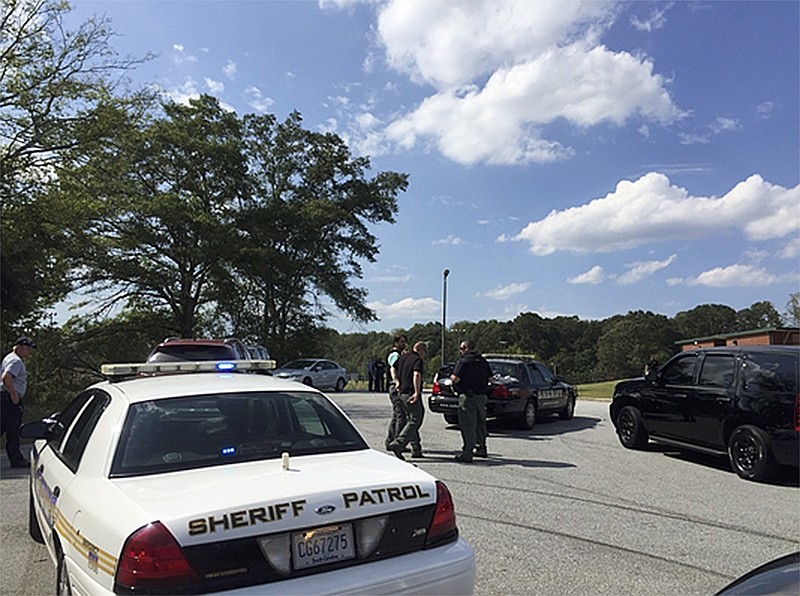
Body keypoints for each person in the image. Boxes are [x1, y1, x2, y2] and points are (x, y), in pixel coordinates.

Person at [451, 339, 492, 463]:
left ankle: (467, 452)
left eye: (462, 348)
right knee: (480, 423)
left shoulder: (463, 362)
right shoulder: (482, 361)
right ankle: (481, 448)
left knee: (468, 425)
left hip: (468, 397)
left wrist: (451, 378)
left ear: (467, 348)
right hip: (481, 396)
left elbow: (456, 378)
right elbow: (490, 377)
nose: (460, 351)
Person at [386, 341, 426, 461]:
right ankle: (398, 443)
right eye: (425, 352)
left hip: (401, 393)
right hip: (409, 393)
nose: (424, 355)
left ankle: (416, 449)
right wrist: (417, 392)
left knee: (410, 420)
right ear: (420, 350)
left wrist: (396, 380)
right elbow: (416, 375)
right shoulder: (417, 360)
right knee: (415, 419)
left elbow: (392, 367)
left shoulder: (403, 357)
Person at [1, 336, 37, 468]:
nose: (29, 352)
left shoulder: (9, 358)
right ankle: (16, 460)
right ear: (20, 347)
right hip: (9, 399)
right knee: (13, 430)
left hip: (4, 398)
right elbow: (6, 377)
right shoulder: (15, 361)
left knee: (3, 427)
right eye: (28, 348)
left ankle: (16, 458)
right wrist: (13, 394)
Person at [384, 334, 408, 449]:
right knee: (401, 416)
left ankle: (390, 440)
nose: (404, 344)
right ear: (396, 343)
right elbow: (393, 368)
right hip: (395, 387)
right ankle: (398, 443)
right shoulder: (394, 355)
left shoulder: (398, 354)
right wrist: (396, 381)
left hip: (394, 386)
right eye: (402, 342)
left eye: (405, 342)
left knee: (396, 415)